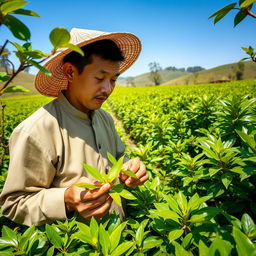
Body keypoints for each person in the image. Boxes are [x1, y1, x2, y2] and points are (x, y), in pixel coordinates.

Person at [0, 28, 148, 226]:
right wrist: (65, 200)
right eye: (99, 78)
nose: (108, 89)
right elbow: (13, 204)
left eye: (113, 80)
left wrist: (130, 168)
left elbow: (120, 158)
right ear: (70, 71)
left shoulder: (104, 118)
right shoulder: (36, 131)